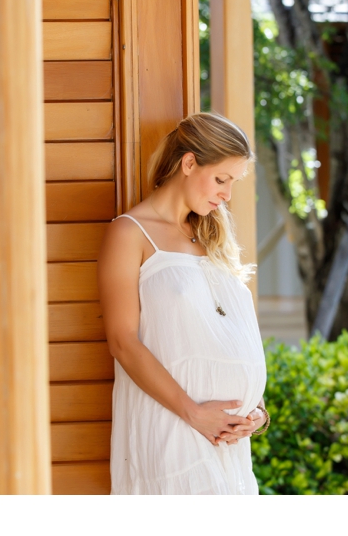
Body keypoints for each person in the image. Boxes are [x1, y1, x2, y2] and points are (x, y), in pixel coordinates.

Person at [98, 112, 270, 495]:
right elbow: (123, 341)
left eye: (233, 183)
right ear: (189, 163)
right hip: (173, 425)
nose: (227, 194)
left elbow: (230, 331)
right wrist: (194, 413)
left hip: (228, 441)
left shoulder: (212, 236)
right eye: (222, 179)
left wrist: (256, 412)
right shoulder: (130, 233)